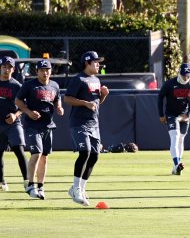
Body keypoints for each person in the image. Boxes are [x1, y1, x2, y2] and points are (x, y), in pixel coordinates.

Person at [64, 51, 109, 206]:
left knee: (95, 156)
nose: (98, 65)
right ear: (87, 63)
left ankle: (81, 189)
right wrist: (84, 103)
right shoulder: (79, 79)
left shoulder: (96, 79)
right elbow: (67, 98)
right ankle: (76, 188)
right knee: (85, 152)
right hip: (79, 123)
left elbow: (95, 104)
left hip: (93, 124)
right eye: (96, 62)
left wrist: (103, 96)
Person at [15, 60, 63, 199]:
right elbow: (18, 101)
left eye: (47, 69)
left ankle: (41, 187)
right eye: (42, 70)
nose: (45, 72)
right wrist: (28, 112)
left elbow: (57, 99)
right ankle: (30, 185)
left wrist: (59, 107)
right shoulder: (29, 85)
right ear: (37, 71)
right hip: (32, 125)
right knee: (36, 153)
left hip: (48, 125)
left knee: (44, 157)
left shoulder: (54, 85)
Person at [158, 63, 190, 175]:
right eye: (184, 74)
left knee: (181, 139)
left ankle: (176, 167)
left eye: (187, 75)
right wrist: (161, 114)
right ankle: (176, 164)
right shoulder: (170, 84)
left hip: (184, 115)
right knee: (174, 136)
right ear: (179, 72)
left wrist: (188, 114)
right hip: (171, 114)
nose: (185, 77)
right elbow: (160, 97)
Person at [0, 56, 27, 193]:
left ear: (13, 69)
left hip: (13, 123)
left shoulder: (17, 86)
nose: (6, 69)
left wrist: (15, 115)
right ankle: (2, 182)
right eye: (4, 66)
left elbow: (24, 106)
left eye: (9, 67)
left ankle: (28, 182)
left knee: (19, 151)